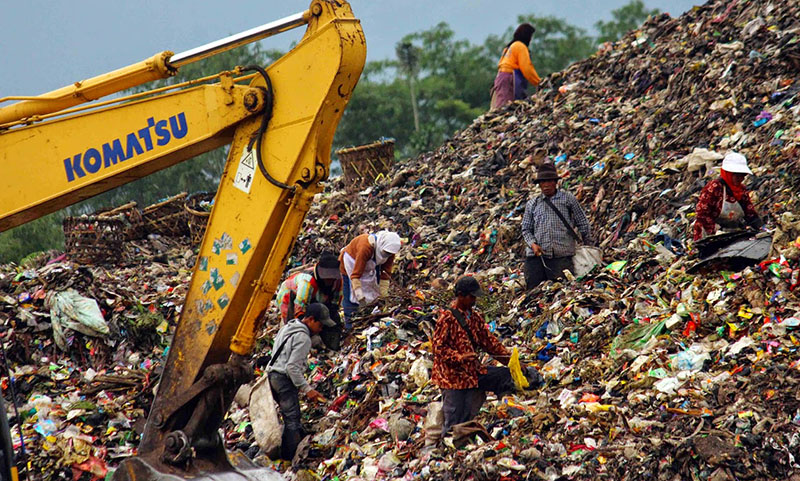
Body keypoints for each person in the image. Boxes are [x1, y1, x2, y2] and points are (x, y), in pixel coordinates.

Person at [431, 276, 516, 438]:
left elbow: (489, 342)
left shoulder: (474, 317)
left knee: (503, 377)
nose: (474, 300)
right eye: (471, 297)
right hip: (452, 378)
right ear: (461, 296)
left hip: (471, 373)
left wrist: (510, 361)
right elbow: (438, 349)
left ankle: (464, 443)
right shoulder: (447, 319)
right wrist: (459, 357)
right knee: (454, 419)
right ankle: (446, 451)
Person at [267, 303, 333, 460]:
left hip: (271, 376)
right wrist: (307, 389)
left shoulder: (287, 328)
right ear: (310, 319)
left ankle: (285, 449)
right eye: (320, 324)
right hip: (283, 379)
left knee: (288, 416)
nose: (321, 329)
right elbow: (292, 367)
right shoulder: (303, 338)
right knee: (292, 420)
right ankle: (289, 459)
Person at [521, 162, 592, 289]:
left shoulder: (567, 199)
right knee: (534, 292)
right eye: (543, 182)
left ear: (555, 182)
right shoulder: (533, 204)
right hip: (537, 258)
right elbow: (526, 229)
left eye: (549, 181)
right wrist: (533, 244)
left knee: (562, 290)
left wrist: (589, 244)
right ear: (539, 184)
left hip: (561, 256)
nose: (546, 185)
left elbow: (582, 222)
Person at [693, 152, 763, 241]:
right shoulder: (714, 188)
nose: (741, 179)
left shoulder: (741, 190)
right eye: (737, 176)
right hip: (710, 233)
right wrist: (716, 230)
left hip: (731, 232)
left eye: (742, 176)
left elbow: (750, 213)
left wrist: (760, 227)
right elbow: (702, 214)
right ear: (728, 174)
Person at [339, 230, 401, 329]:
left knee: (374, 291)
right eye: (385, 252)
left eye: (389, 253)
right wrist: (360, 297)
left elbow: (385, 273)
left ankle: (369, 319)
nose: (386, 255)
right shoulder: (366, 246)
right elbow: (355, 276)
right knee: (351, 295)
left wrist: (383, 294)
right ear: (381, 245)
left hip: (370, 263)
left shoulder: (389, 250)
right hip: (351, 262)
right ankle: (350, 325)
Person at [274, 252, 342, 324]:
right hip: (289, 297)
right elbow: (299, 309)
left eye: (332, 278)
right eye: (327, 278)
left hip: (315, 297)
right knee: (292, 324)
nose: (330, 281)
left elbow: (335, 304)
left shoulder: (337, 280)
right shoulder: (306, 281)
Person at [490, 23, 541, 110]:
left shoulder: (509, 47)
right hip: (508, 79)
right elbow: (527, 68)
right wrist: (539, 82)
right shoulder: (520, 46)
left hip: (500, 78)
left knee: (501, 106)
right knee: (505, 108)